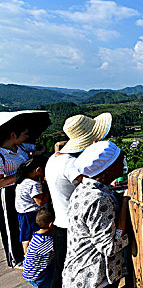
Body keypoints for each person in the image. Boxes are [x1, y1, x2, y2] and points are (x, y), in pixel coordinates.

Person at [45, 112, 112, 288]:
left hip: (60, 225)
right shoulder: (71, 165)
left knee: (60, 273)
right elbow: (91, 188)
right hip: (75, 230)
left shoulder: (54, 159)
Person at [63, 141, 129, 288]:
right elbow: (110, 247)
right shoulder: (99, 199)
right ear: (108, 169)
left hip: (78, 275)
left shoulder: (82, 189)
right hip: (93, 281)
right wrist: (125, 202)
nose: (123, 162)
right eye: (119, 159)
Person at [0, 110, 50, 268]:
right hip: (7, 192)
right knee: (10, 226)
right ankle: (15, 259)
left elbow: (38, 147)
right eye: (24, 134)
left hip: (22, 190)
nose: (27, 137)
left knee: (23, 224)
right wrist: (22, 174)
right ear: (13, 135)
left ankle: (27, 254)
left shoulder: (20, 148)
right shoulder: (1, 155)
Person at [15, 155, 50, 253]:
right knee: (31, 238)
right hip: (31, 214)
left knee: (25, 236)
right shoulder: (33, 184)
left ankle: (26, 257)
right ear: (38, 170)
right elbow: (40, 202)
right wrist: (47, 191)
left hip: (23, 213)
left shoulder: (22, 180)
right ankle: (29, 257)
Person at [23, 205, 55, 288]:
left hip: (31, 272)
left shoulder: (37, 234)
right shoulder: (46, 242)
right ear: (51, 225)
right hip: (38, 277)